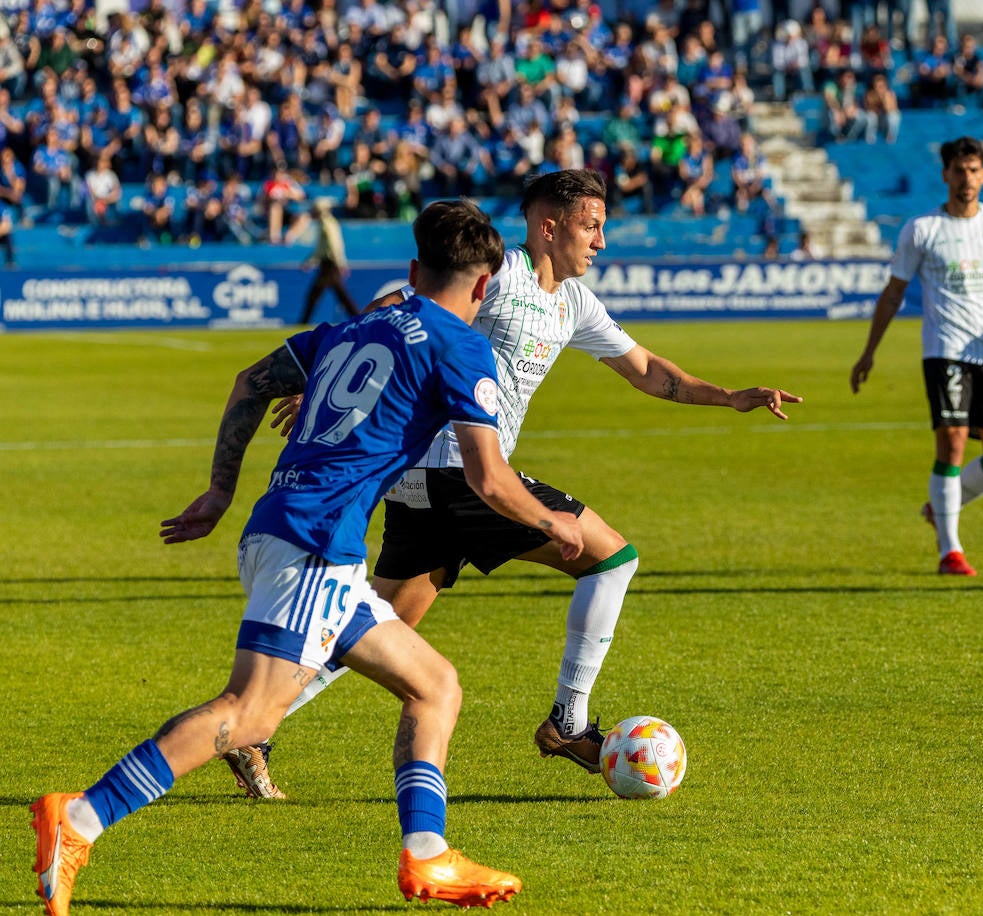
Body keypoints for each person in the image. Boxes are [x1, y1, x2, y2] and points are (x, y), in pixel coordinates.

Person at [30, 199, 584, 914]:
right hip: (316, 544)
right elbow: (487, 477)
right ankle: (78, 820)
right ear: (485, 288)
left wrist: (218, 491)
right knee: (249, 715)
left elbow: (250, 383)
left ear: (413, 271)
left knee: (434, 685)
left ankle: (427, 856)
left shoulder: (353, 325)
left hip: (294, 532)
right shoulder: (461, 345)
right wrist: (552, 522)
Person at [234, 169, 802, 795]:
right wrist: (330, 374)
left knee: (370, 627)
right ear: (548, 226)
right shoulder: (498, 270)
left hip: (423, 481)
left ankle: (254, 726)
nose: (601, 242)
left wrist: (728, 398)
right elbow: (398, 304)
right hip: (463, 472)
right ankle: (569, 720)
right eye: (591, 227)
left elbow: (644, 369)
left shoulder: (575, 304)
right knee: (612, 559)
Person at [849, 136, 983, 577]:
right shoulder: (922, 230)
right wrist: (869, 352)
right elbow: (894, 292)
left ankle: (941, 508)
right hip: (946, 351)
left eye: (974, 170)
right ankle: (950, 551)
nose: (967, 179)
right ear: (945, 175)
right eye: (959, 171)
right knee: (952, 442)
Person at [299, 199, 360, 324]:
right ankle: (358, 317)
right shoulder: (325, 223)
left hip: (329, 265)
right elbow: (322, 248)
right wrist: (311, 260)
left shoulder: (327, 224)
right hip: (328, 264)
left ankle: (303, 322)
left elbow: (334, 245)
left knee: (316, 295)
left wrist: (340, 263)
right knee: (340, 296)